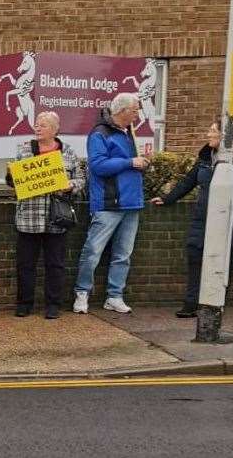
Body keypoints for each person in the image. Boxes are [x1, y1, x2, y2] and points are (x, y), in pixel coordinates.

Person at [151, 118, 233, 317]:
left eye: (212, 131)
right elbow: (189, 181)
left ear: (225, 136)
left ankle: (215, 304)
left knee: (223, 261)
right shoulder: (206, 156)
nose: (208, 134)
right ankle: (192, 302)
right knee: (195, 255)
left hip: (230, 219)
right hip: (203, 217)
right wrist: (168, 199)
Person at [72, 93, 150, 314]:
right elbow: (97, 166)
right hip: (109, 202)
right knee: (93, 251)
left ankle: (115, 295)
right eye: (135, 110)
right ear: (122, 111)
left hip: (131, 202)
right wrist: (130, 162)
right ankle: (82, 292)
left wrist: (141, 163)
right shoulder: (99, 133)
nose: (137, 114)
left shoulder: (129, 132)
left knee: (123, 254)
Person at [6, 111, 86, 319]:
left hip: (56, 218)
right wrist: (11, 175)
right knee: (25, 265)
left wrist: (71, 185)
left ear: (54, 129)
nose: (37, 128)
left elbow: (80, 179)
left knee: (55, 265)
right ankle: (24, 303)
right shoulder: (24, 150)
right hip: (29, 217)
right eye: (36, 124)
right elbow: (12, 181)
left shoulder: (68, 152)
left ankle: (53, 305)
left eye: (42, 125)